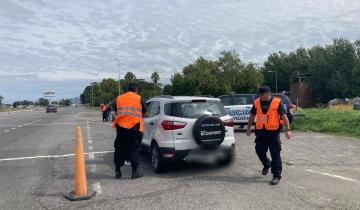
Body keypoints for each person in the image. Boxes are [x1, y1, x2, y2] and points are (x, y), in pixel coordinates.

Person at [246, 86, 292, 185]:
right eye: (260, 95)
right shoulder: (257, 102)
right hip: (260, 132)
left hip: (273, 133)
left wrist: (288, 130)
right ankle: (267, 164)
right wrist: (249, 128)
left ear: (268, 94)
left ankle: (276, 175)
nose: (260, 97)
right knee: (259, 151)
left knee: (275, 154)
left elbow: (284, 117)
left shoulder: (277, 102)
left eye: (262, 95)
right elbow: (252, 116)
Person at [112, 83, 148, 179]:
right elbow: (145, 113)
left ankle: (117, 171)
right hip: (134, 128)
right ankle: (134, 172)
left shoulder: (119, 98)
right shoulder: (138, 98)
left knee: (119, 148)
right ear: (136, 90)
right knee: (134, 149)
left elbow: (116, 111)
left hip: (120, 128)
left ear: (127, 90)